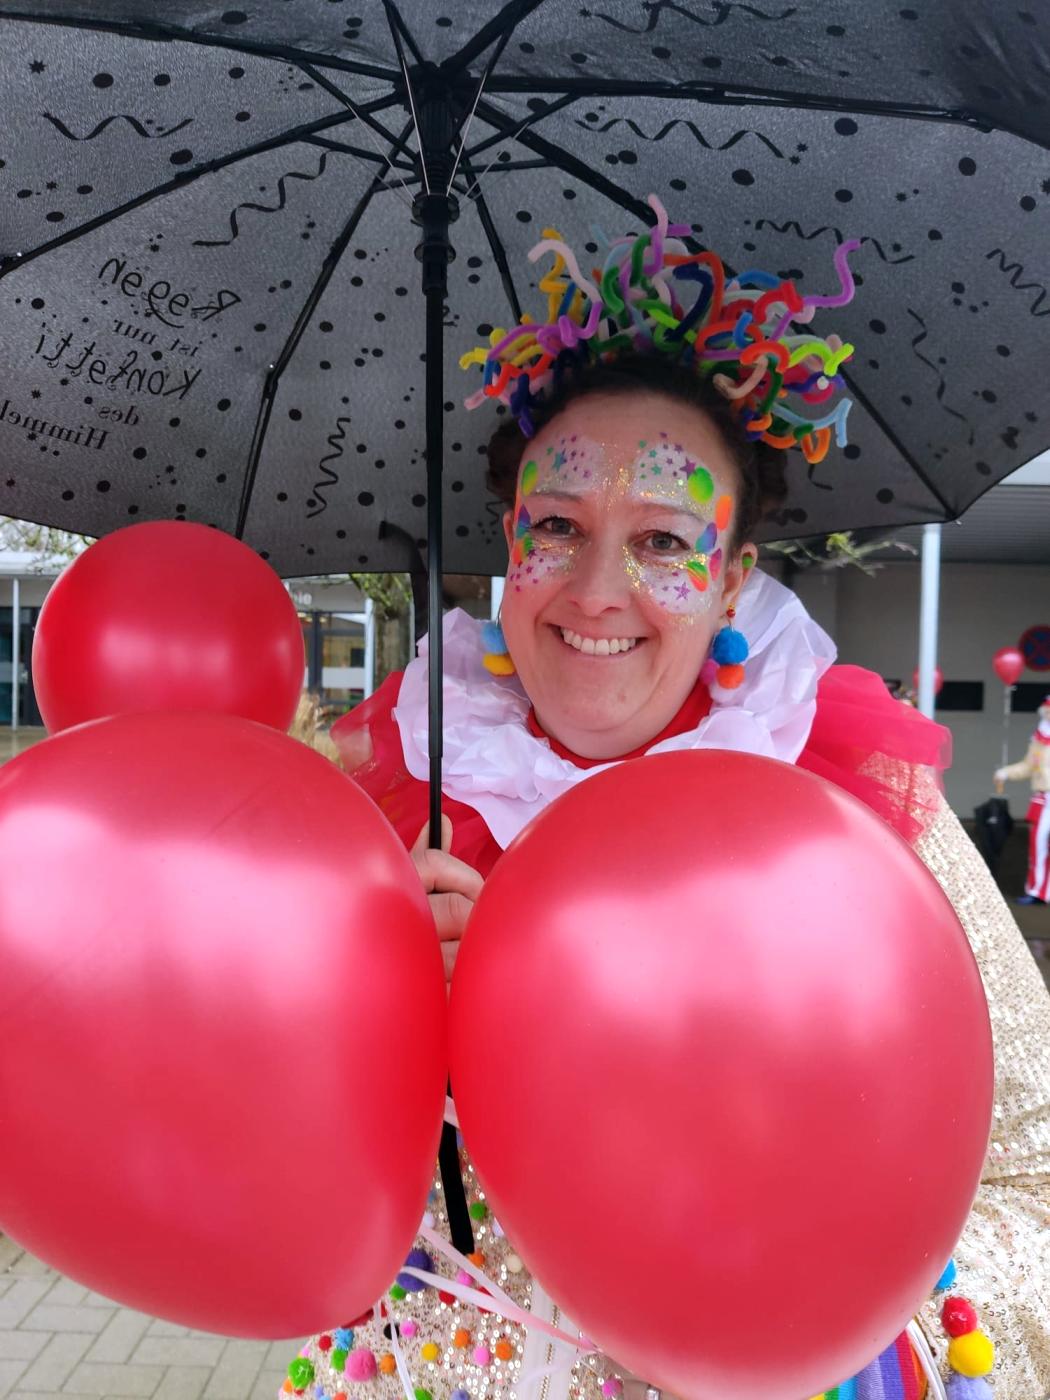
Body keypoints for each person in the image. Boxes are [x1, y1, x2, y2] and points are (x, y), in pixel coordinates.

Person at [284, 200, 1050, 1400]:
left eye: (662, 541)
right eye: (557, 525)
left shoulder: (849, 815)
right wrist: (364, 1035)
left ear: (735, 578)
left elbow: (1030, 1186)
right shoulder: (394, 806)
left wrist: (807, 1345)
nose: (598, 590)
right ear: (507, 542)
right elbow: (287, 1209)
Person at [994, 695, 1050, 905]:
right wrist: (1006, 773)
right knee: (1038, 845)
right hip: (1043, 798)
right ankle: (1037, 890)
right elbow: (1028, 766)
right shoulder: (1039, 739)